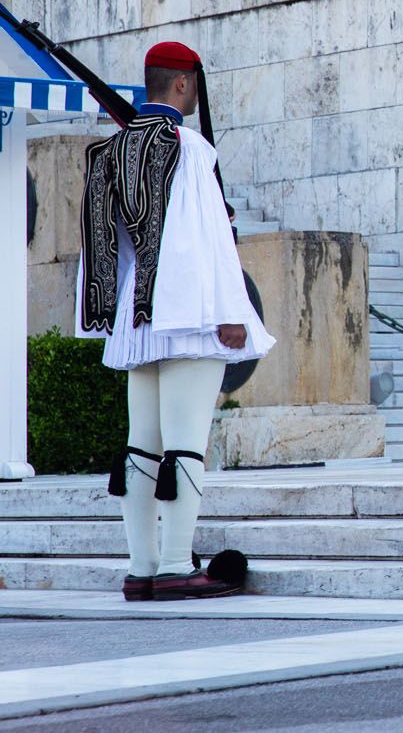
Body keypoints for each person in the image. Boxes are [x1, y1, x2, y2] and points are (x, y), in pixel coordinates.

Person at [77, 41, 274, 600]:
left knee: (141, 447)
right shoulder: (187, 147)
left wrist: (113, 310)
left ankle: (141, 569)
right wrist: (232, 310)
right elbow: (208, 233)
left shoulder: (113, 148)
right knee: (185, 445)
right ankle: (173, 566)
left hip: (136, 315)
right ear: (184, 84)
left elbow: (105, 244)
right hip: (189, 311)